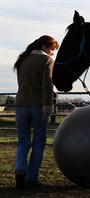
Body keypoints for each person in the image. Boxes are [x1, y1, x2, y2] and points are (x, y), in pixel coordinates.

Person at [13, 35, 59, 189]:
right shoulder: (46, 61)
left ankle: (20, 170)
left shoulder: (23, 59)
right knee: (38, 142)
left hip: (20, 105)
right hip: (38, 106)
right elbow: (47, 86)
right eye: (52, 49)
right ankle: (32, 177)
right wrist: (48, 105)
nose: (52, 53)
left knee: (23, 141)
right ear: (45, 47)